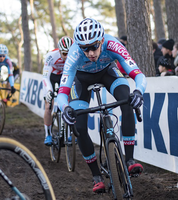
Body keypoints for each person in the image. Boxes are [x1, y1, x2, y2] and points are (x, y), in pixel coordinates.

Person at [56, 18, 147, 193]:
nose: (90, 52)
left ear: (102, 40)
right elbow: (62, 92)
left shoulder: (113, 44)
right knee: (80, 127)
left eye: (94, 46)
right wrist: (65, 108)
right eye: (85, 48)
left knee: (127, 101)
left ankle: (129, 159)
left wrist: (138, 92)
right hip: (81, 80)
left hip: (107, 72)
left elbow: (138, 75)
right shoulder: (74, 54)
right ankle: (96, 176)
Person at [42, 36, 73, 146]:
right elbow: (45, 76)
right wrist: (49, 91)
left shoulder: (75, 55)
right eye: (64, 53)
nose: (67, 56)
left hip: (65, 77)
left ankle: (69, 133)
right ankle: (48, 134)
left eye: (69, 53)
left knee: (70, 103)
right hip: (52, 77)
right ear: (59, 51)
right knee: (48, 105)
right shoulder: (51, 56)